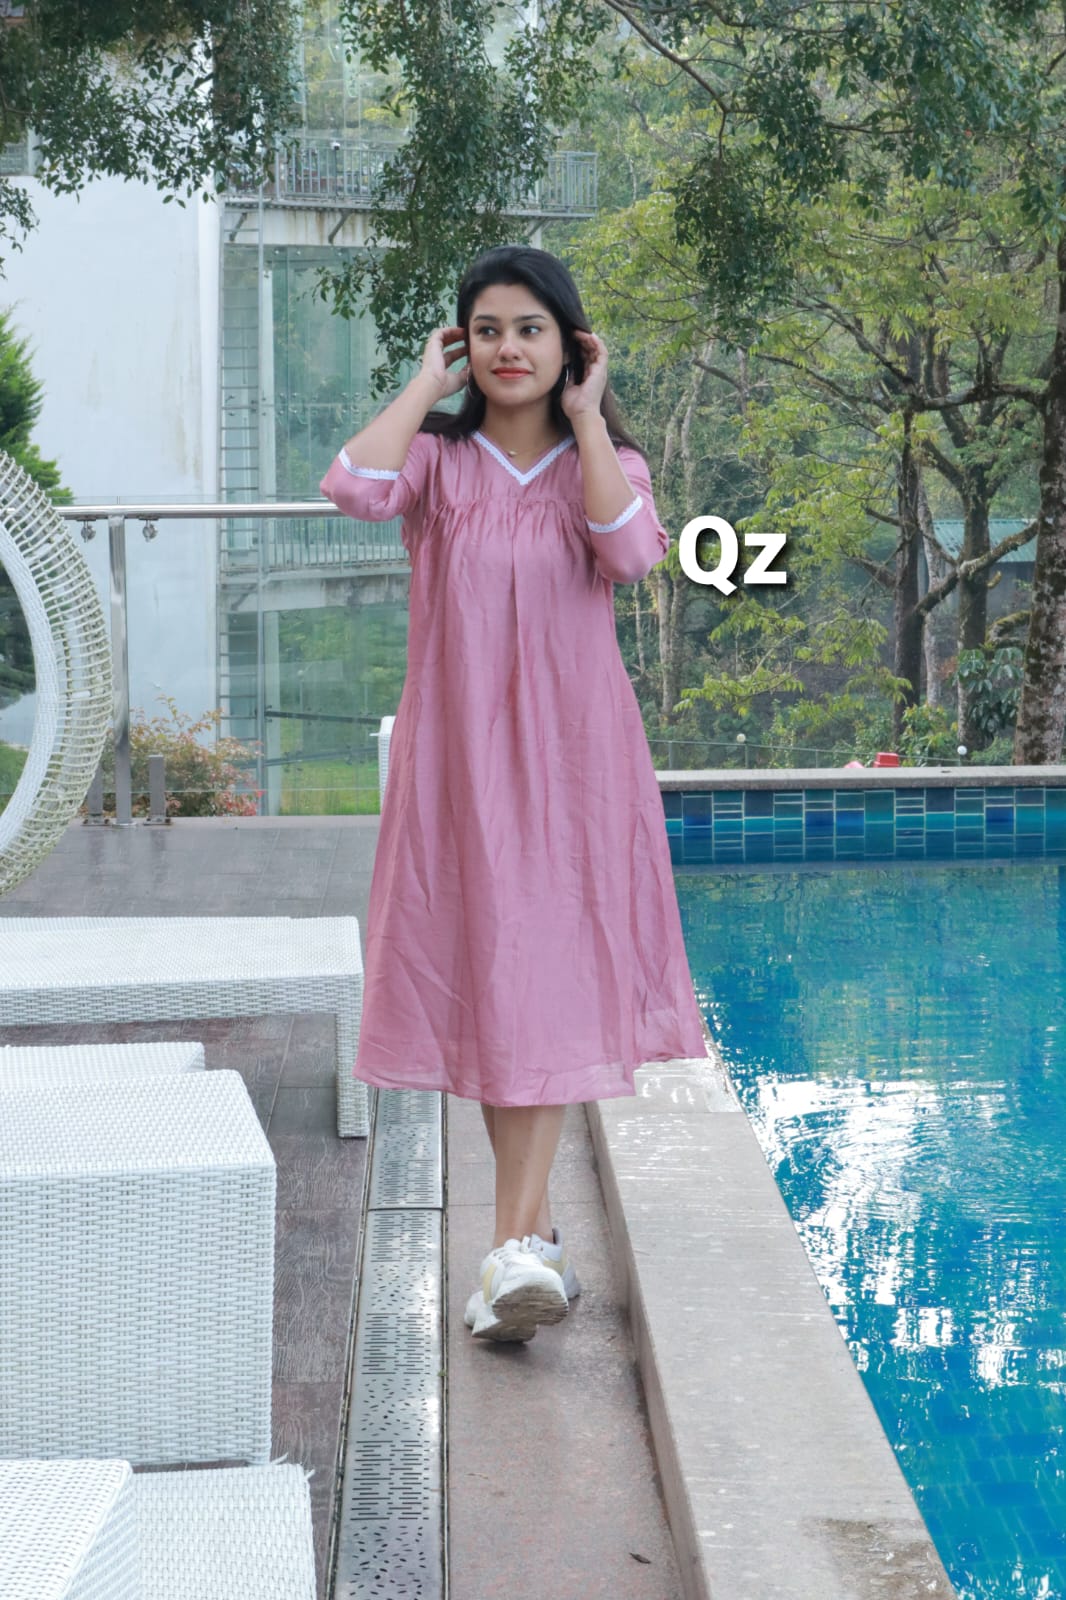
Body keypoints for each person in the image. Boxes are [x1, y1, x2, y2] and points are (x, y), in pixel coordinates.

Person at [320, 244, 707, 1344]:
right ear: (464, 343)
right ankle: (524, 1253)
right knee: (501, 987)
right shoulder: (437, 467)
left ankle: (509, 1257)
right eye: (486, 329)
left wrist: (588, 419)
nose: (506, 348)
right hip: (460, 765)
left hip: (575, 763)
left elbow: (630, 557)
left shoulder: (610, 463)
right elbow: (353, 487)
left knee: (538, 983)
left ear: (568, 343)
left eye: (529, 329)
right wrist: (421, 386)